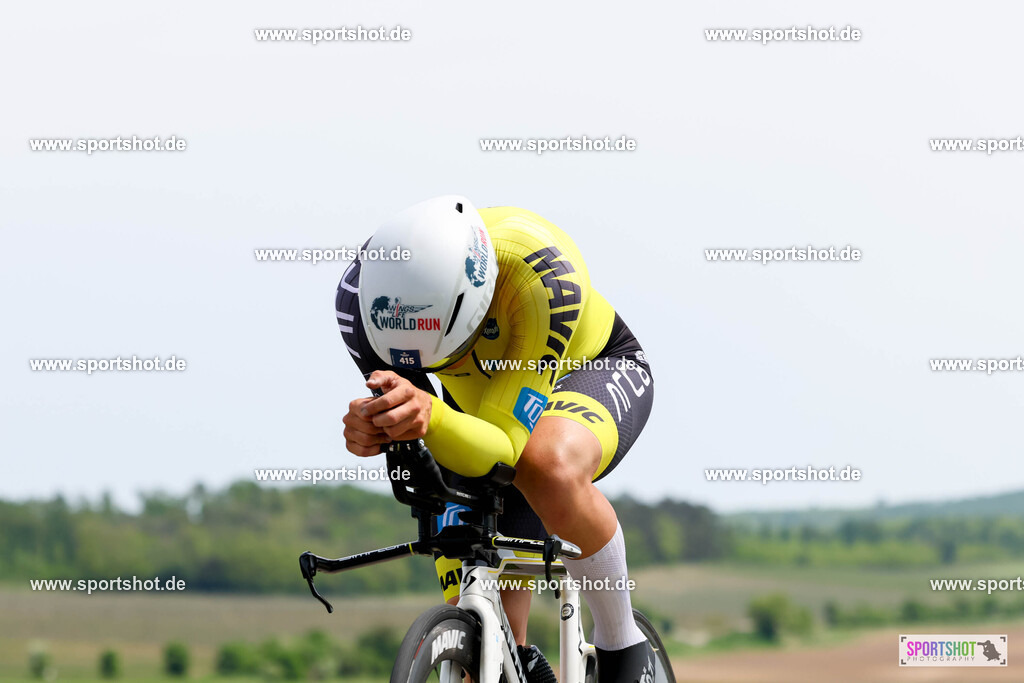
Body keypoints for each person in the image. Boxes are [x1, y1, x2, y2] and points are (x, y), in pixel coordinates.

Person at [336, 195, 655, 682]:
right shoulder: (361, 303)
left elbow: (506, 448)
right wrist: (379, 426)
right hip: (480, 406)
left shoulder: (540, 274)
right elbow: (421, 444)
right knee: (490, 639)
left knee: (543, 464)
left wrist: (432, 417)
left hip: (586, 370)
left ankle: (622, 645)